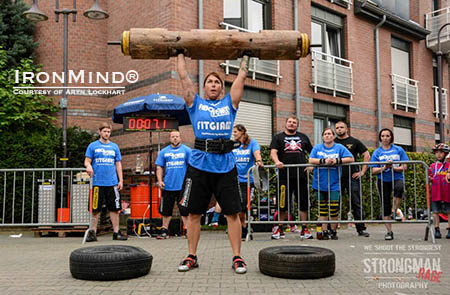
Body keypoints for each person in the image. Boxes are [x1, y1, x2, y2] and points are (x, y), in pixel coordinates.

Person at [176, 51, 249, 274]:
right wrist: (179, 53)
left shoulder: (229, 104)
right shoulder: (195, 103)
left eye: (217, 82)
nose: (213, 85)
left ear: (221, 88)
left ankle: (237, 257)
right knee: (194, 214)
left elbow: (241, 78)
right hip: (198, 166)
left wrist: (246, 55)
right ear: (204, 87)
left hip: (226, 166)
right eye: (209, 82)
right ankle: (191, 256)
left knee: (233, 214)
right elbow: (183, 77)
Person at [270, 116, 313, 240]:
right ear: (285, 123)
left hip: (301, 176)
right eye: (289, 122)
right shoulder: (278, 137)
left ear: (297, 125)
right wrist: (277, 162)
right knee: (282, 203)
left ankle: (304, 228)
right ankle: (279, 228)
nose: (291, 124)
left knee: (303, 203)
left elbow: (313, 152)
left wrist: (311, 165)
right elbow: (273, 152)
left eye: (294, 122)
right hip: (284, 176)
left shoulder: (303, 137)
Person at [84, 122, 127, 241]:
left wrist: (121, 180)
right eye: (104, 131)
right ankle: (92, 232)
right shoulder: (93, 146)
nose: (107, 134)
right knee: (95, 209)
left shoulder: (114, 147)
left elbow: (118, 164)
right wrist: (88, 166)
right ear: (100, 132)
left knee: (115, 209)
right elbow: (87, 161)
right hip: (97, 183)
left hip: (112, 183)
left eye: (108, 132)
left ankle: (116, 232)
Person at [309, 128, 354, 240]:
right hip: (319, 183)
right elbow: (311, 160)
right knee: (322, 209)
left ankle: (333, 231)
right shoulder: (317, 147)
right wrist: (323, 161)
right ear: (323, 136)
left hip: (334, 183)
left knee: (334, 209)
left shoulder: (339, 147)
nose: (327, 136)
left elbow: (351, 158)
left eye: (329, 134)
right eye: (325, 134)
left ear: (333, 136)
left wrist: (336, 161)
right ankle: (324, 231)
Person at [370, 128, 409, 241]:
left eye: (387, 136)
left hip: (396, 177)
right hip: (383, 180)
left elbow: (405, 167)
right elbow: (373, 171)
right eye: (383, 136)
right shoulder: (377, 152)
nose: (385, 138)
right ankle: (389, 231)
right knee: (385, 205)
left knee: (399, 188)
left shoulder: (399, 149)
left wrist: (394, 168)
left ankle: (395, 210)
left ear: (391, 137)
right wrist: (385, 167)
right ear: (380, 138)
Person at [334, 121, 371, 237]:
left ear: (346, 129)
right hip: (336, 177)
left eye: (341, 127)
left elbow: (366, 154)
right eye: (337, 128)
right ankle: (332, 229)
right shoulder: (332, 142)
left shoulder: (354, 142)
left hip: (352, 177)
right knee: (334, 203)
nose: (339, 129)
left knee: (356, 203)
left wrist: (363, 171)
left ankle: (361, 229)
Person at [155, 130, 192, 239]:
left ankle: (188, 230)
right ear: (170, 138)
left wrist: (190, 181)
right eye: (173, 137)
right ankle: (164, 230)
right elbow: (159, 167)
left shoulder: (187, 151)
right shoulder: (164, 152)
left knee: (184, 210)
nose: (175, 138)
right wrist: (160, 180)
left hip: (183, 187)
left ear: (180, 138)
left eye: (177, 136)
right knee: (166, 210)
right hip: (168, 186)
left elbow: (192, 167)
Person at [232, 124, 263, 240]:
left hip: (248, 180)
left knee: (244, 205)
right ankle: (243, 228)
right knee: (238, 206)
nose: (234, 134)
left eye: (235, 132)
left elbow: (257, 153)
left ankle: (245, 227)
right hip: (236, 180)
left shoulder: (252, 143)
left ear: (242, 132)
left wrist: (259, 160)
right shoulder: (234, 145)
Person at [428, 143, 450, 239]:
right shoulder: (432, 166)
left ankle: (449, 229)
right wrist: (428, 178)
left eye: (441, 152)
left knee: (449, 211)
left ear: (445, 153)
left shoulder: (449, 166)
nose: (439, 154)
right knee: (435, 211)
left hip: (447, 191)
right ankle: (437, 229)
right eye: (436, 152)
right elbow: (429, 176)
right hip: (435, 191)